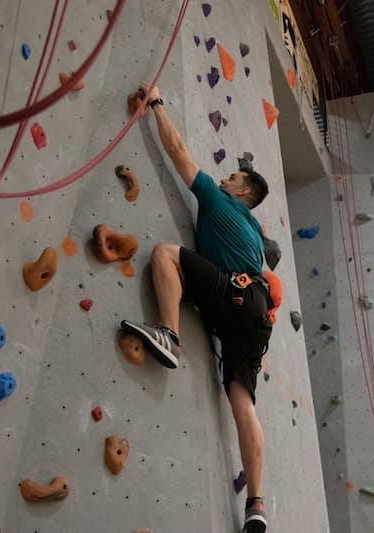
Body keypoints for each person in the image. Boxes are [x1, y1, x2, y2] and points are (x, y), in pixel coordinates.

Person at [120, 83, 273, 533]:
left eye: (233, 180)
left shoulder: (222, 201)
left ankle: (168, 333)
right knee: (242, 401)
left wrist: (158, 103)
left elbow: (179, 151)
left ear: (242, 194)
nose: (225, 179)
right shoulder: (254, 237)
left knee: (166, 254)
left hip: (235, 295)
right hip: (254, 317)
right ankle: (257, 504)